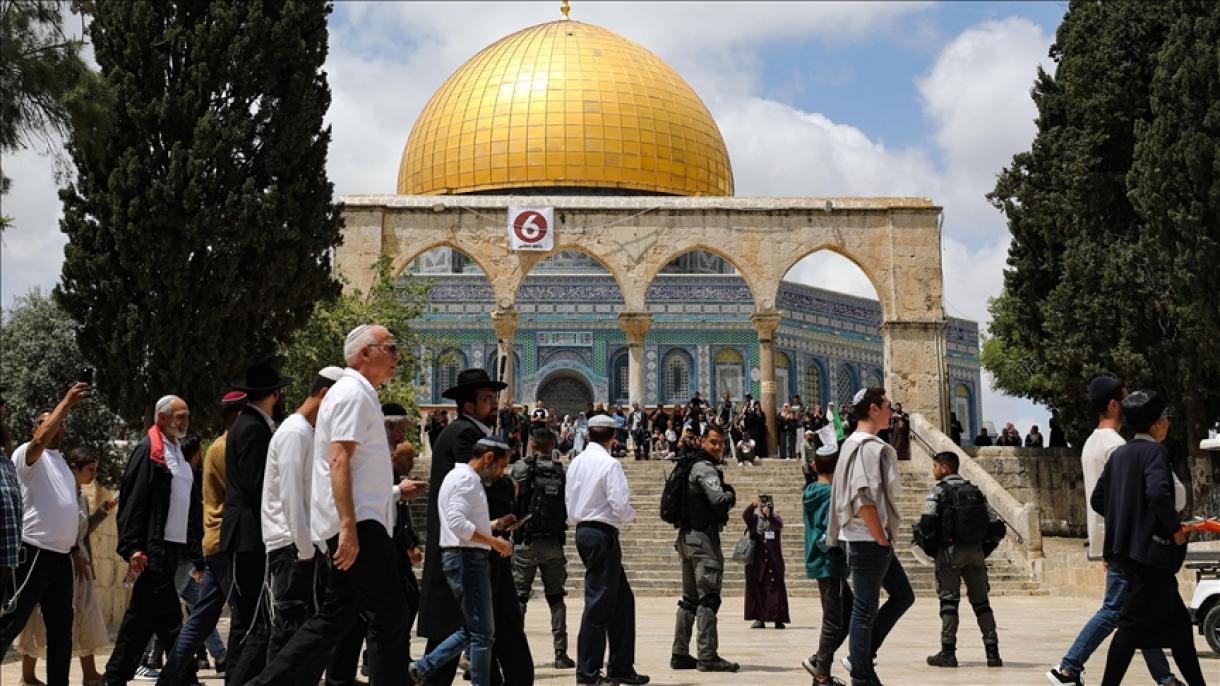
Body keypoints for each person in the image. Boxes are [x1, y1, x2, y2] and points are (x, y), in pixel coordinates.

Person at [249, 324, 422, 686]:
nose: (397, 356)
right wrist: (347, 526)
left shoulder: (357, 393)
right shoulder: (352, 394)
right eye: (389, 348)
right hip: (358, 522)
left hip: (357, 520)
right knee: (391, 615)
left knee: (335, 617)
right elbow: (339, 460)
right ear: (364, 354)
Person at [1045, 376, 1183, 686]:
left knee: (1136, 612)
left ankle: (1165, 678)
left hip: (1112, 540)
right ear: (1113, 404)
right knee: (1116, 610)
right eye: (1125, 398)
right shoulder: (1119, 446)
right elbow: (1139, 497)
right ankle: (1068, 668)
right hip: (1128, 544)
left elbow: (1100, 500)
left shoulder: (1092, 443)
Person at [1092, 391, 1206, 686]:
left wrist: (1127, 520)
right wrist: (1174, 530)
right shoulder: (1155, 453)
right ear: (1156, 425)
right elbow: (1157, 494)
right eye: (1165, 419)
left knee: (1179, 626)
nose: (1168, 424)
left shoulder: (1120, 455)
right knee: (1130, 627)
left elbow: (1098, 499)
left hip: (1126, 553)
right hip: (1149, 555)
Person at [102, 395, 199, 686]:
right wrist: (133, 547)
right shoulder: (148, 451)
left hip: (173, 548)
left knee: (139, 624)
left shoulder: (178, 451)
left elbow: (187, 504)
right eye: (179, 417)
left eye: (186, 416)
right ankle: (185, 679)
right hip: (153, 549)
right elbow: (133, 502)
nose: (184, 422)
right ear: (161, 419)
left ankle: (113, 679)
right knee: (171, 622)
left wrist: (195, 551)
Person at [418, 368, 505, 686]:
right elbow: (482, 485)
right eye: (486, 399)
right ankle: (423, 670)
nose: (494, 404)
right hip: (461, 547)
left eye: (493, 398)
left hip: (462, 543)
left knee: (463, 626)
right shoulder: (467, 436)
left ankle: (425, 670)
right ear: (469, 405)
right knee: (464, 626)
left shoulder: (459, 430)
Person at [0, 383, 91, 686]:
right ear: (35, 428)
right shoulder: (27, 454)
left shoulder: (63, 464)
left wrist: (76, 550)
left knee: (60, 629)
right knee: (11, 623)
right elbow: (41, 440)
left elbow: (66, 511)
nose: (53, 425)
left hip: (61, 557)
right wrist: (66, 401)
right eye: (44, 420)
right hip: (34, 552)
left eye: (56, 421)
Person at [409, 437, 514, 686]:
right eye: (501, 465)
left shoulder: (461, 478)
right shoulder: (466, 480)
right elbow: (457, 523)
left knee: (473, 629)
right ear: (488, 458)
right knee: (482, 634)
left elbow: (462, 522)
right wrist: (493, 542)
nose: (502, 473)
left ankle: (420, 670)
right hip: (467, 558)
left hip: (465, 556)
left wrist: (495, 526)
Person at [827, 387, 914, 686]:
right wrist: (880, 538)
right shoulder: (865, 447)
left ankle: (860, 657)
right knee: (865, 610)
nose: (893, 412)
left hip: (870, 539)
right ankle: (862, 675)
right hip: (868, 540)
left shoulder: (857, 444)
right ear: (874, 410)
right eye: (888, 406)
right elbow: (863, 499)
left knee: (903, 595)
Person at [157, 391, 245, 686]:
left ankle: (171, 676)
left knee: (201, 617)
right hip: (225, 543)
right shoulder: (227, 448)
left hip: (214, 544)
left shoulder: (221, 447)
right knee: (242, 614)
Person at [258, 367, 343, 673]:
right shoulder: (295, 432)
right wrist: (306, 551)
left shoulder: (306, 432)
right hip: (292, 546)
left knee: (302, 634)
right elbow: (291, 496)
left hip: (303, 546)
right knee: (289, 633)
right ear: (324, 395)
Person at [220, 357, 293, 684]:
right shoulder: (251, 427)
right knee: (248, 616)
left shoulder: (250, 424)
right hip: (248, 533)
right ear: (275, 393)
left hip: (251, 532)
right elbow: (256, 482)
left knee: (254, 614)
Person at [17, 447, 113, 686]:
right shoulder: (58, 493)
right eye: (89, 470)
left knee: (83, 619)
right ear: (74, 468)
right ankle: (27, 675)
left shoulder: (80, 497)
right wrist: (73, 552)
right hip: (56, 562)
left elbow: (80, 531)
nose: (92, 475)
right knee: (38, 621)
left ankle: (89, 673)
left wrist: (102, 513)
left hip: (78, 569)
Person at [566, 414, 649, 685]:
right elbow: (619, 503)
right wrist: (630, 516)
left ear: (588, 435)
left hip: (584, 531)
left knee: (622, 602)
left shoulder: (576, 463)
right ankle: (588, 673)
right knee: (599, 604)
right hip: (602, 534)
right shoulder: (609, 464)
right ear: (613, 438)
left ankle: (621, 666)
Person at [912, 451, 1005, 669]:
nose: (933, 470)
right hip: (975, 552)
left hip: (950, 553)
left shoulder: (938, 491)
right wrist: (983, 550)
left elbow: (927, 524)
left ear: (945, 468)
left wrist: (933, 549)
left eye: (934, 466)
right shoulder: (975, 491)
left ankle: (948, 652)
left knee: (949, 603)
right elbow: (996, 525)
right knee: (982, 603)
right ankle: (993, 653)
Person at [671, 424, 739, 672]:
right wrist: (731, 494)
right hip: (701, 541)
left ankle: (680, 653)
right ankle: (708, 656)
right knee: (708, 598)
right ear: (701, 442)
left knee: (689, 600)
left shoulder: (689, 465)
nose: (718, 447)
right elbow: (719, 502)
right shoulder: (704, 468)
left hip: (687, 539)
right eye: (713, 442)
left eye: (721, 442)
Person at [511, 428, 575, 669]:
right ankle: (561, 654)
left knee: (519, 597)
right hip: (553, 543)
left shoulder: (521, 468)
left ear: (533, 445)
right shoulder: (562, 472)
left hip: (526, 541)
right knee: (556, 597)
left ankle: (513, 651)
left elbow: (512, 496)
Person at [802, 443, 851, 686]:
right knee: (833, 619)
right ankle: (822, 675)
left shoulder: (811, 490)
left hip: (820, 560)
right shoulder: (832, 494)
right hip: (830, 561)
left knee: (848, 611)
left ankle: (819, 659)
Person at [743, 495, 789, 630]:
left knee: (776, 591)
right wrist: (753, 505)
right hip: (757, 562)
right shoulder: (754, 520)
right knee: (758, 590)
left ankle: (778, 619)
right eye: (763, 506)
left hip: (773, 562)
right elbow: (746, 515)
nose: (765, 508)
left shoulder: (776, 520)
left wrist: (770, 517)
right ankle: (760, 618)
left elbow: (778, 526)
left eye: (768, 506)